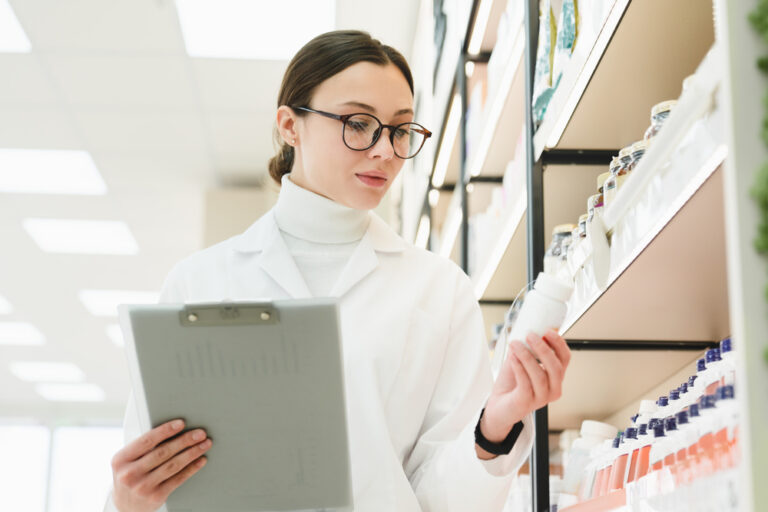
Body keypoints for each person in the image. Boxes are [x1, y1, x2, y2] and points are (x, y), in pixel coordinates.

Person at [105, 30, 571, 512]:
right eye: (358, 123)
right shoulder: (197, 283)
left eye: (399, 129)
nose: (385, 151)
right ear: (290, 125)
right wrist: (126, 500)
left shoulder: (439, 290)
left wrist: (494, 426)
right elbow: (155, 473)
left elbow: (438, 498)